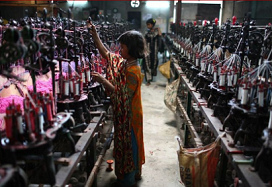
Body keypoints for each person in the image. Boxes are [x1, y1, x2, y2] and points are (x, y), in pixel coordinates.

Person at [87, 20, 146, 187]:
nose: (120, 50)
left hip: (131, 118)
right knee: (123, 144)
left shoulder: (133, 71)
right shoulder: (125, 63)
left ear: (132, 49)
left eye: (123, 47)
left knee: (129, 146)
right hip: (123, 115)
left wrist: (102, 80)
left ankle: (128, 178)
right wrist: (95, 35)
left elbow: (121, 95)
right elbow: (107, 54)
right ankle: (125, 175)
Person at [143, 18, 162, 86]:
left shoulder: (156, 31)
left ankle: (153, 74)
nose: (148, 26)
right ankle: (148, 80)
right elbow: (144, 40)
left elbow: (160, 36)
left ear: (152, 25)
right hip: (147, 50)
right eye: (147, 25)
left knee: (154, 63)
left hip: (154, 50)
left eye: (149, 24)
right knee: (147, 64)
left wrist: (159, 30)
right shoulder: (146, 32)